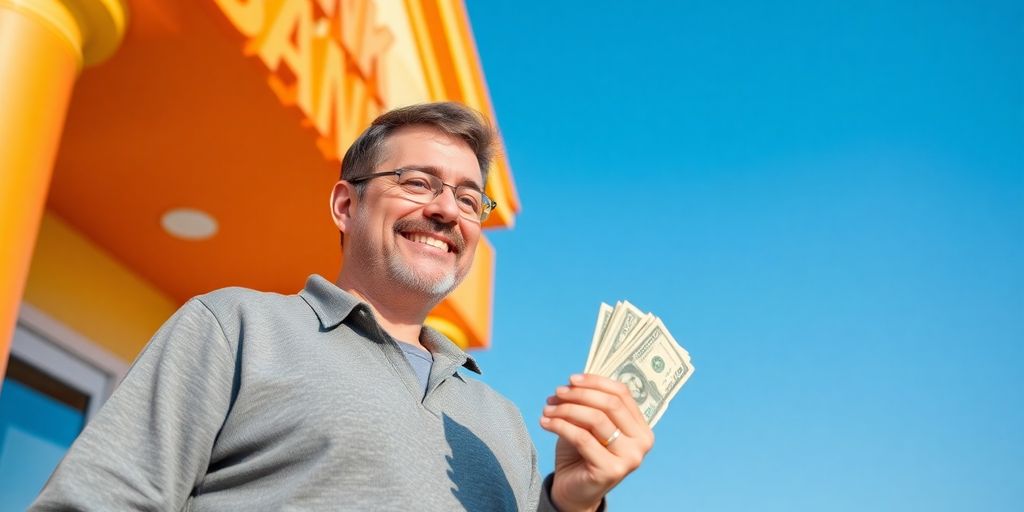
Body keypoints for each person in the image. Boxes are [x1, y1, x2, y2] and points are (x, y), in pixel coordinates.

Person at [31, 102, 653, 511]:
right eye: (418, 183)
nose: (446, 210)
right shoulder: (234, 328)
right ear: (345, 206)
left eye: (469, 199)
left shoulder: (505, 424)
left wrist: (569, 502)